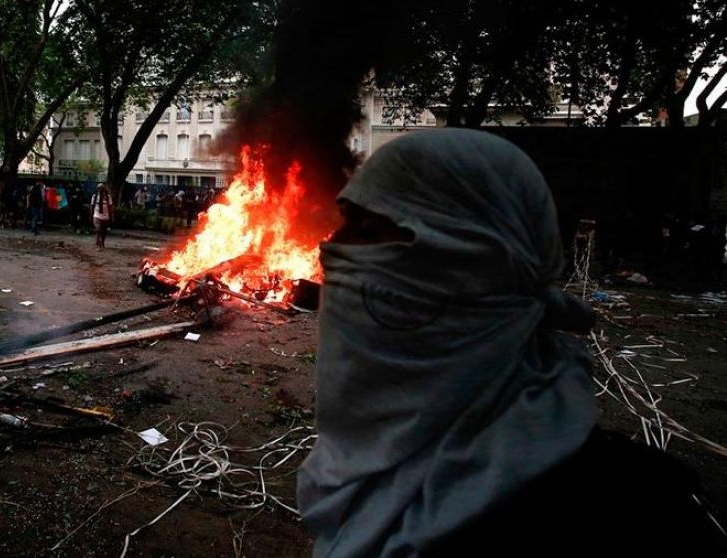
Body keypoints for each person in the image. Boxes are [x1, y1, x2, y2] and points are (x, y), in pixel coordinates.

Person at [297, 129, 725, 558]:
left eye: (368, 231)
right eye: (344, 225)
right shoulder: (350, 471)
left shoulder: (634, 517)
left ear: (483, 266)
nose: (332, 252)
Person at [91, 182, 113, 249]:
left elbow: (110, 206)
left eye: (102, 188)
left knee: (104, 231)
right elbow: (92, 206)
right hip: (97, 214)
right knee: (98, 228)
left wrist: (111, 215)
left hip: (105, 216)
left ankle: (102, 242)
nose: (100, 190)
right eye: (99, 188)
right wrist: (91, 214)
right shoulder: (94, 196)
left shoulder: (108, 197)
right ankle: (98, 240)